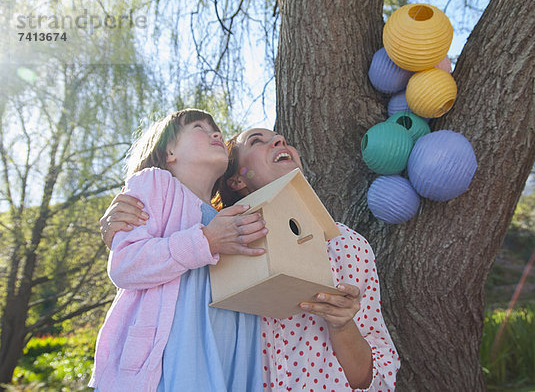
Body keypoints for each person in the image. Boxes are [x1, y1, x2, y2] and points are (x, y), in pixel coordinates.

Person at [100, 128, 401, 391]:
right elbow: (155, 278)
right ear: (236, 181)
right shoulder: (218, 245)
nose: (280, 140)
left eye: (281, 138)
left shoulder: (346, 244)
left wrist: (343, 325)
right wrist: (124, 230)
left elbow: (366, 378)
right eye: (257, 141)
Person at [89, 110, 267, 392]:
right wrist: (206, 241)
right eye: (200, 127)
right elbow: (124, 264)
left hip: (226, 360)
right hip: (168, 364)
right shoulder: (154, 183)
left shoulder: (226, 217)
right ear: (169, 150)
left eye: (216, 130)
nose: (216, 134)